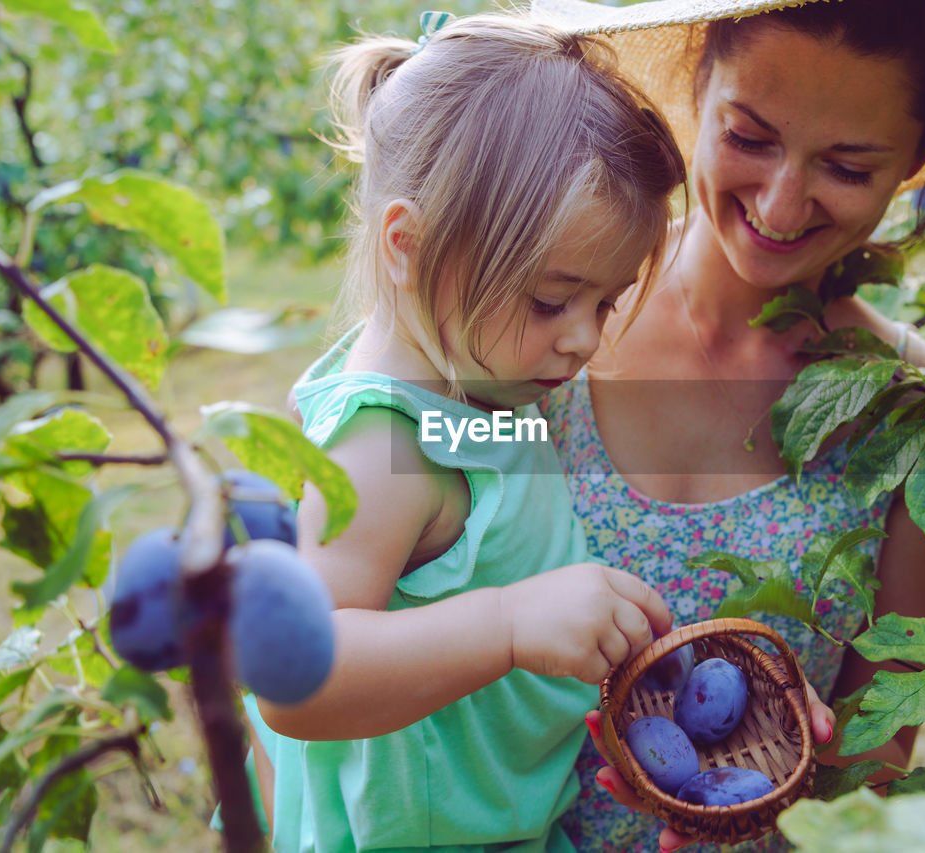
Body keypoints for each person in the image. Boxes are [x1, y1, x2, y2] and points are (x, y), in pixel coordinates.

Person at [528, 0, 925, 850]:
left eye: (847, 166)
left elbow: (883, 731)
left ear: (913, 163)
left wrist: (798, 793)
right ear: (699, 91)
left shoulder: (923, 408)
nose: (780, 200)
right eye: (749, 136)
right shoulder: (547, 314)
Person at [239, 13, 693, 852]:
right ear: (408, 245)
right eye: (551, 301)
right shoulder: (384, 445)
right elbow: (295, 682)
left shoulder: (476, 373)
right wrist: (510, 622)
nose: (585, 339)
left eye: (605, 301)